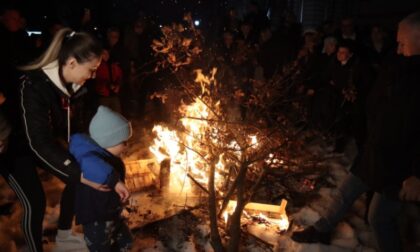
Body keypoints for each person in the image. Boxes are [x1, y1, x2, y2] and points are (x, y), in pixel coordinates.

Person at [292, 11, 420, 252]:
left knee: (379, 219)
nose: (398, 47)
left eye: (403, 42)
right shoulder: (399, 63)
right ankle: (321, 231)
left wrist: (417, 174)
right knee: (345, 192)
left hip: (399, 165)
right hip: (376, 151)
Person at [0, 27, 107, 252]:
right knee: (35, 201)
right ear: (71, 63)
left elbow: (68, 130)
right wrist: (78, 173)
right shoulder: (33, 86)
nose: (93, 75)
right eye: (92, 69)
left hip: (37, 141)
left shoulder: (72, 86)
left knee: (75, 177)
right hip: (12, 147)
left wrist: (87, 157)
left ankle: (64, 235)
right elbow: (37, 143)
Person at [69, 105, 132, 251]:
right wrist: (114, 181)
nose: (127, 145)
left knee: (126, 241)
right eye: (124, 141)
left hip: (112, 213)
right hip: (96, 219)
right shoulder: (90, 157)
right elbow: (92, 166)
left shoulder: (107, 156)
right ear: (109, 141)